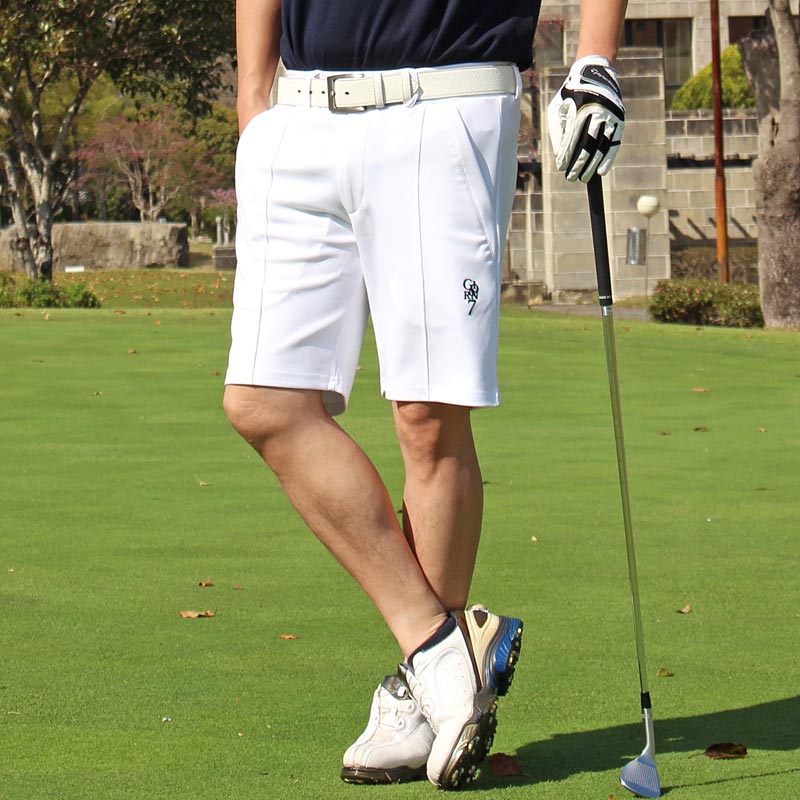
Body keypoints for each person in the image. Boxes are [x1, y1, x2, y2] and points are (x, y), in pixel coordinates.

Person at [224, 0, 627, 789]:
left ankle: (422, 694)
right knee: (263, 402)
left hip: (446, 101)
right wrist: (252, 99)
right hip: (298, 115)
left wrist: (595, 59)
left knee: (427, 415)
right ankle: (441, 650)